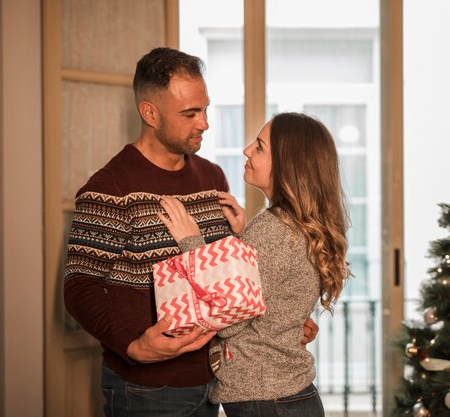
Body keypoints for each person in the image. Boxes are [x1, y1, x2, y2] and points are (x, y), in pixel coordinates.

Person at [64, 47, 317, 417]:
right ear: (150, 113)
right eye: (190, 114)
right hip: (145, 389)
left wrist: (283, 317)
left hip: (217, 380)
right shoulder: (110, 188)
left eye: (205, 109)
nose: (205, 123)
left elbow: (231, 277)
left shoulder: (212, 177)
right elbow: (80, 287)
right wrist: (133, 347)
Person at [158, 111, 352, 417]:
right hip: (283, 396)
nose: (247, 150)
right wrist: (243, 235)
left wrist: (190, 242)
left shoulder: (274, 229)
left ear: (288, 164)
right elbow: (272, 287)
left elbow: (230, 321)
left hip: (267, 401)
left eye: (259, 147)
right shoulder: (293, 224)